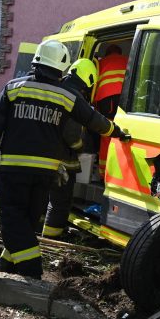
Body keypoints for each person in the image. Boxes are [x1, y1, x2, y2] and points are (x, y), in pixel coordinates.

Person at [0, 40, 129, 278]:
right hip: (45, 174)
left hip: (14, 169)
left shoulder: (13, 88)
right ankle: (7, 268)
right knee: (30, 220)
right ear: (61, 67)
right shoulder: (67, 96)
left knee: (11, 217)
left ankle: (31, 271)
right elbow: (94, 120)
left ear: (36, 61)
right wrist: (118, 132)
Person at [41, 58, 98, 238]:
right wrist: (80, 148)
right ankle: (52, 237)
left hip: (42, 155)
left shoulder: (56, 88)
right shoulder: (73, 97)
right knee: (60, 201)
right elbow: (72, 134)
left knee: (41, 197)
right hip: (62, 161)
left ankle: (37, 230)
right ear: (88, 79)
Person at [94, 44, 128, 176]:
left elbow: (95, 83)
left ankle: (104, 173)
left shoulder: (102, 63)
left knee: (107, 132)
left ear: (108, 53)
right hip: (124, 98)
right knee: (122, 132)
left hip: (106, 99)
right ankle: (120, 172)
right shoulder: (127, 60)